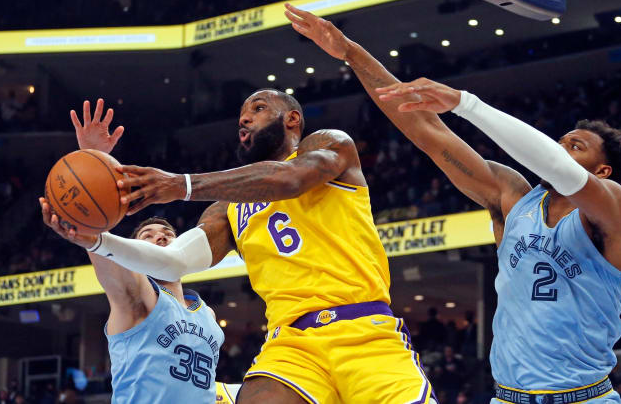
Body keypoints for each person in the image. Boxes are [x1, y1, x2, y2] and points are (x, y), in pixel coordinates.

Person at [283, 4, 621, 403]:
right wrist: (350, 51)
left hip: (584, 396)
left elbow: (556, 167)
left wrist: (466, 104)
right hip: (507, 397)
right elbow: (428, 133)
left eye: (577, 145)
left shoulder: (615, 209)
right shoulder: (512, 197)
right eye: (561, 141)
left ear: (603, 171)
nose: (560, 147)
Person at [87, 88, 435, 401]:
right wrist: (96, 238)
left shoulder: (330, 145)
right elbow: (173, 262)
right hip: (292, 345)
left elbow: (291, 179)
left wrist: (182, 185)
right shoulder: (227, 207)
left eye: (257, 108)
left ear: (292, 118)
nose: (244, 118)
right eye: (241, 115)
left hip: (362, 328)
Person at [39, 99, 223, 403]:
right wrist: (92, 160)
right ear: (133, 251)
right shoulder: (137, 298)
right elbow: (105, 250)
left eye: (167, 234)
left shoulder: (208, 315)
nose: (161, 238)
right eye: (148, 236)